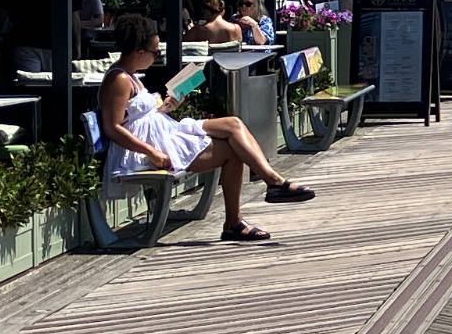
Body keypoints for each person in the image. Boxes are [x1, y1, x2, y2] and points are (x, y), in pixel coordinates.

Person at [99, 14, 314, 242]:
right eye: (155, 52)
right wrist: (151, 152)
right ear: (139, 51)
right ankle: (244, 212)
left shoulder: (131, 77)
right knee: (233, 150)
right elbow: (113, 127)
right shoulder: (119, 80)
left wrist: (169, 104)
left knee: (234, 124)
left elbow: (139, 117)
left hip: (165, 133)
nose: (157, 56)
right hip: (151, 149)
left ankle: (270, 184)